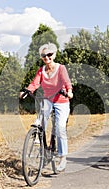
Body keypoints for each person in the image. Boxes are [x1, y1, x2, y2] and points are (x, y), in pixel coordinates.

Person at [20, 42, 73, 172]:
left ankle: (62, 157)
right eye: (44, 56)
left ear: (54, 55)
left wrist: (69, 91)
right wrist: (27, 91)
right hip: (48, 99)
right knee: (41, 119)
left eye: (49, 55)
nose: (47, 58)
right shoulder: (41, 71)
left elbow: (67, 82)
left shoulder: (61, 68)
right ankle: (38, 137)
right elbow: (35, 83)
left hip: (61, 100)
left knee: (60, 127)